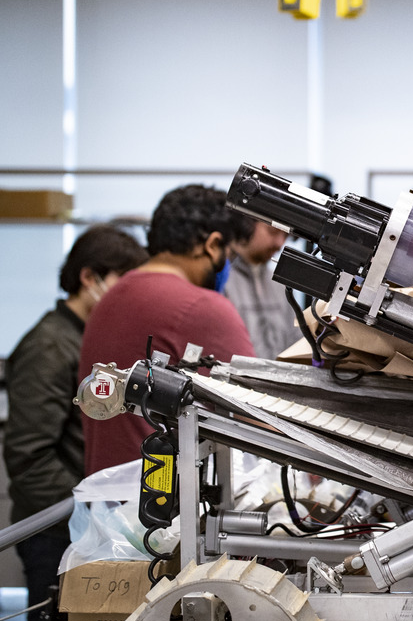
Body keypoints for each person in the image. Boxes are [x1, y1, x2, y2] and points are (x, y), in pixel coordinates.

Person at [2, 223, 148, 621]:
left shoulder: (88, 339)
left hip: (80, 525)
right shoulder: (50, 345)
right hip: (54, 530)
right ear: (89, 278)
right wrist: (88, 511)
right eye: (122, 283)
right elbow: (28, 457)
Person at [78, 184, 256, 475]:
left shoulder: (112, 296)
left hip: (111, 500)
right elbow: (261, 412)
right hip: (163, 506)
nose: (227, 267)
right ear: (211, 245)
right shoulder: (201, 305)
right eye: (230, 256)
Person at [223, 212, 299, 360]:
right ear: (246, 226)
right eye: (273, 232)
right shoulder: (220, 280)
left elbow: (296, 341)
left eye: (285, 236)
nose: (279, 243)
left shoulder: (281, 285)